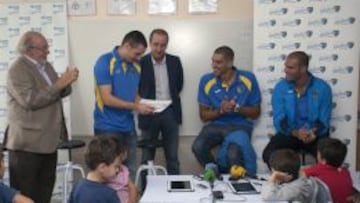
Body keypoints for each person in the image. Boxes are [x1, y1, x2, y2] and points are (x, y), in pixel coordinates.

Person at [5, 31, 79, 203]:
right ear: (29, 50)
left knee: (45, 193)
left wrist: (67, 83)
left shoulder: (46, 66)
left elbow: (56, 92)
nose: (48, 51)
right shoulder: (18, 69)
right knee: (26, 195)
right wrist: (59, 84)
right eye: (44, 48)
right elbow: (30, 100)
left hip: (47, 142)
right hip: (27, 145)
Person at [93, 30, 153, 179]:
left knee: (129, 172)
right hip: (107, 127)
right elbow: (107, 98)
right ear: (126, 46)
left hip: (128, 127)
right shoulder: (105, 62)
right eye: (137, 54)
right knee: (108, 175)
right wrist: (136, 107)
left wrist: (145, 105)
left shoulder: (136, 66)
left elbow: (135, 95)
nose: (138, 58)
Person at [192, 46, 261, 174]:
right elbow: (203, 115)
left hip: (240, 126)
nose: (214, 65)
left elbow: (256, 113)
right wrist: (220, 111)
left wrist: (237, 109)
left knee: (232, 155)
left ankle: (233, 183)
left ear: (230, 63)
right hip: (216, 125)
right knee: (198, 146)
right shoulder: (206, 80)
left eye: (218, 62)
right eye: (213, 61)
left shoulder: (248, 78)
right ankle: (216, 173)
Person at [262, 51, 332, 167]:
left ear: (303, 69)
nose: (285, 70)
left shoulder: (323, 88)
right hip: (290, 133)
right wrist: (295, 133)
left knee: (330, 158)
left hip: (315, 135)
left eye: (290, 67)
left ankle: (321, 182)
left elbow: (324, 120)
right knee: (268, 154)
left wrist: (313, 132)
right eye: (285, 66)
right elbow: (279, 118)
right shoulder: (281, 87)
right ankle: (286, 180)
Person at [138, 28, 184, 175]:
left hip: (170, 112)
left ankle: (175, 195)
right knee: (146, 158)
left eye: (163, 45)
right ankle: (146, 193)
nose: (159, 49)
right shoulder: (140, 62)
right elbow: (135, 88)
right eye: (156, 44)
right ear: (150, 44)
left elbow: (179, 84)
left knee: (172, 157)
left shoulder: (175, 61)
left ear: (167, 45)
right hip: (148, 112)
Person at [69, 136, 122, 203]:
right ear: (102, 167)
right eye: (116, 167)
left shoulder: (77, 187)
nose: (118, 170)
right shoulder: (108, 194)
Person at [302, 138, 353, 203]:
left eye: (318, 153)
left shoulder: (319, 168)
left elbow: (301, 174)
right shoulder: (346, 172)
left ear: (323, 160)